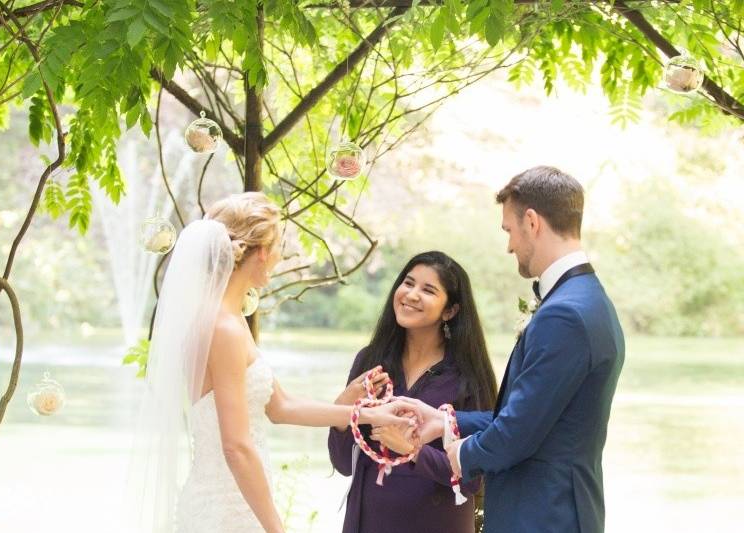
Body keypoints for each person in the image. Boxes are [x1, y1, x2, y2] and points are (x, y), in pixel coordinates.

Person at [129, 192, 419, 533]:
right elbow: (236, 445)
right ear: (263, 252)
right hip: (227, 508)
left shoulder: (225, 319)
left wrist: (367, 413)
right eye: (279, 245)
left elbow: (282, 407)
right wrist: (276, 529)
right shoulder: (223, 328)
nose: (280, 256)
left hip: (234, 498)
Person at [408, 166, 625, 533]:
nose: (509, 245)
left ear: (532, 222)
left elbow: (516, 434)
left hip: (544, 517)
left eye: (509, 230)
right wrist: (444, 422)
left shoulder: (566, 315)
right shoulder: (587, 299)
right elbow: (534, 417)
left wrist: (460, 453)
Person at [328, 251, 498, 533]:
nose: (411, 294)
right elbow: (343, 463)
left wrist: (413, 452)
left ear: (450, 310)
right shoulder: (370, 362)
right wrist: (343, 407)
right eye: (408, 283)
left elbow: (472, 480)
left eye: (428, 290)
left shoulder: (468, 376)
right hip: (366, 522)